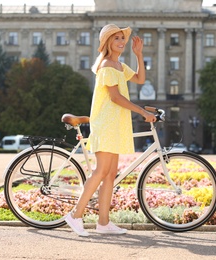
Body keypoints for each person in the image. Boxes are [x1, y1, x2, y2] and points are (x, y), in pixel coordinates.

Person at [64, 24, 156, 236]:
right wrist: (142, 111)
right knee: (101, 171)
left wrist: (139, 55)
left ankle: (103, 223)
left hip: (115, 124)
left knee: (110, 175)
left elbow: (141, 79)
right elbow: (115, 97)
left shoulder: (119, 65)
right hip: (105, 123)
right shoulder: (106, 66)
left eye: (122, 38)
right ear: (107, 42)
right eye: (116, 38)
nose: (121, 42)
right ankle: (75, 215)